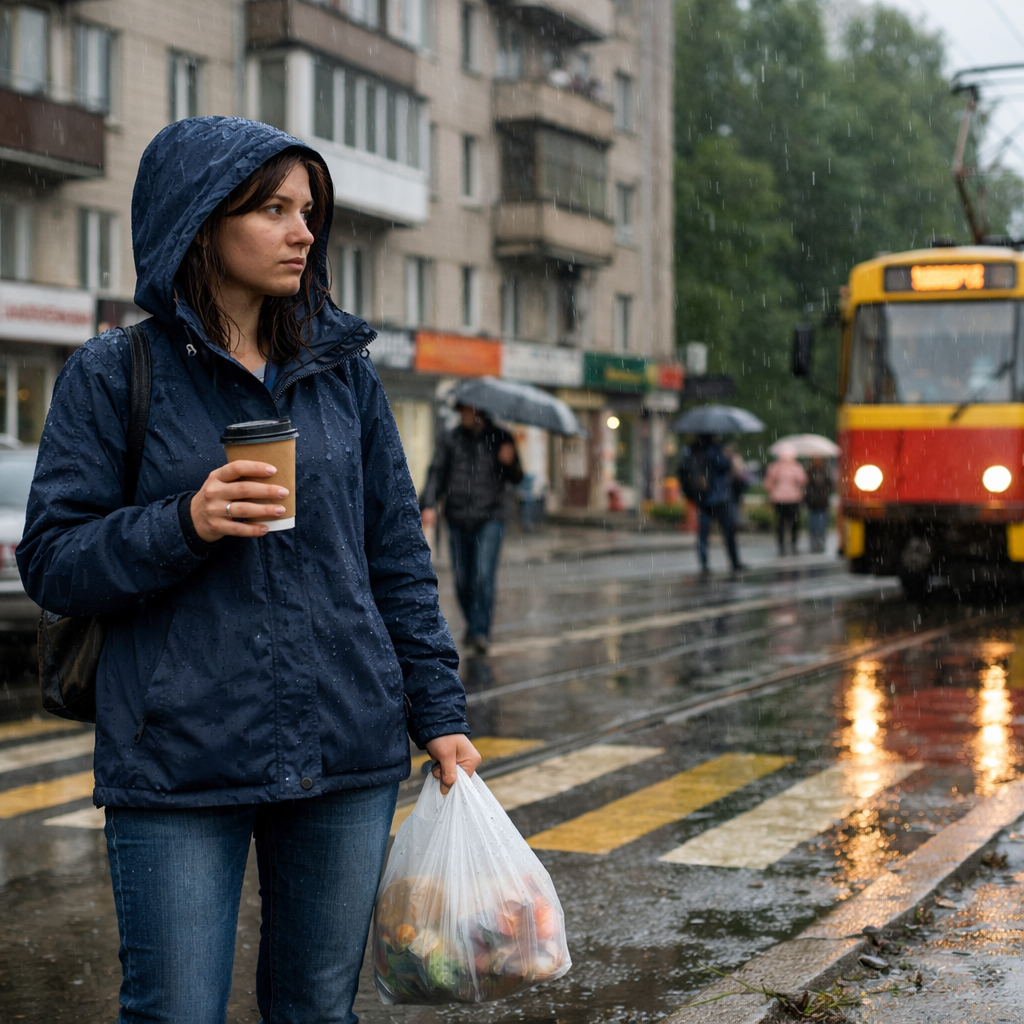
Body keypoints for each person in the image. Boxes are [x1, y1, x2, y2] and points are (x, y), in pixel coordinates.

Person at [17, 117, 480, 1024]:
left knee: (316, 1009)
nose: (303, 231)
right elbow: (53, 560)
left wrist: (440, 714)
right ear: (199, 221)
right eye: (272, 208)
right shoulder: (115, 374)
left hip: (345, 746)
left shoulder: (343, 376)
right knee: (176, 1010)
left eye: (308, 210)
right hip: (177, 755)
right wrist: (183, 523)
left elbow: (394, 558)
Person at [420, 404, 523, 654]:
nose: (463, 415)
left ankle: (480, 632)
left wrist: (510, 463)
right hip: (456, 517)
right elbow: (437, 472)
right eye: (461, 410)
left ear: (480, 411)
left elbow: (517, 477)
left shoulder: (502, 437)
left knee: (483, 576)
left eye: (467, 410)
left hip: (491, 517)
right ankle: (474, 623)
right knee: (462, 580)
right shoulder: (451, 438)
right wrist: (429, 503)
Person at [679, 433, 744, 576]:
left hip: (702, 498)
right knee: (728, 532)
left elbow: (683, 471)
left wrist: (693, 494)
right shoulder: (716, 450)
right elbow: (724, 466)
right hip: (720, 497)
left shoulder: (692, 450)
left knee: (703, 534)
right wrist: (729, 458)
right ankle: (734, 561)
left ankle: (704, 564)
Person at [764, 443, 808, 555]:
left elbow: (768, 485)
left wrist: (774, 490)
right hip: (794, 498)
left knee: (780, 522)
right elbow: (803, 481)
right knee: (793, 522)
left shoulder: (774, 467)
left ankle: (781, 544)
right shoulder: (796, 467)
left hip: (778, 499)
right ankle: (793, 544)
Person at [804, 456, 833, 553]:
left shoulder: (825, 471)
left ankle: (820, 542)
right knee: (813, 524)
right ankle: (814, 542)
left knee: (821, 524)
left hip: (822, 501)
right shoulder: (809, 471)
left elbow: (830, 484)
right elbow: (805, 485)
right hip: (813, 501)